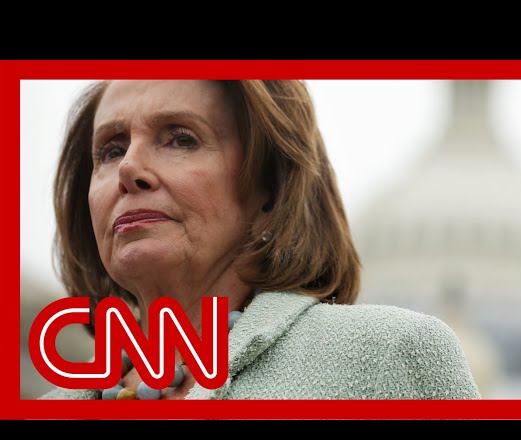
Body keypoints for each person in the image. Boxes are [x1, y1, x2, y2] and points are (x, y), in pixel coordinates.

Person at [39, 80, 481, 401]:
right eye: (111, 150)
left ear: (269, 188)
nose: (129, 169)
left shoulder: (388, 361)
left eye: (181, 140)